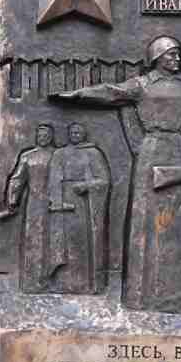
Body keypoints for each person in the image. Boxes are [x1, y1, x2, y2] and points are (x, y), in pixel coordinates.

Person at [54, 37, 181, 311]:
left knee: (180, 219)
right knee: (145, 216)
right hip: (153, 149)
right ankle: (141, 293)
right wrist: (77, 94)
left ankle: (176, 291)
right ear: (157, 57)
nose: (177, 59)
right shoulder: (142, 84)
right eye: (171, 54)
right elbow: (110, 92)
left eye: (178, 54)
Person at [48, 123, 111, 294]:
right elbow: (53, 179)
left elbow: (104, 180)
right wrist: (56, 201)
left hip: (84, 204)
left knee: (81, 240)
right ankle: (62, 281)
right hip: (63, 201)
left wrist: (86, 185)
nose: (75, 135)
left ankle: (85, 283)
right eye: (73, 132)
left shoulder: (93, 153)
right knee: (64, 243)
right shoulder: (60, 154)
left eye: (78, 132)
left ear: (84, 134)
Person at [4, 123, 56, 293]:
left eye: (46, 135)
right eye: (40, 135)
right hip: (35, 203)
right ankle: (32, 281)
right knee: (34, 239)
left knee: (54, 241)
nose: (43, 138)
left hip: (57, 203)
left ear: (51, 137)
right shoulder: (28, 156)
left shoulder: (58, 155)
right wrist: (12, 200)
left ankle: (53, 279)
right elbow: (17, 180)